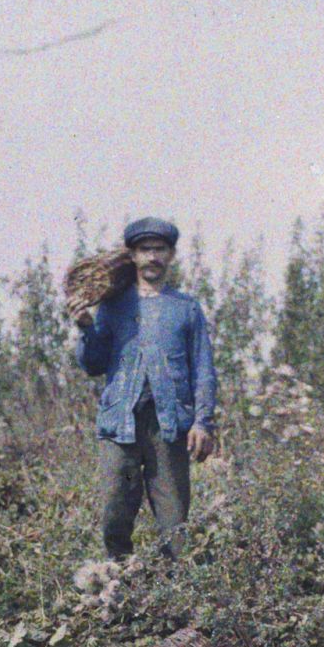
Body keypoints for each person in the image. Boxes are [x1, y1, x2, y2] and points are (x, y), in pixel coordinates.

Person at [67, 216, 218, 559]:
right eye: (145, 249)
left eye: (160, 249)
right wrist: (86, 328)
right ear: (132, 256)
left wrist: (202, 422)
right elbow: (93, 364)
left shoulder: (186, 309)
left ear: (172, 255)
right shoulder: (112, 305)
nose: (152, 256)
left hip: (169, 426)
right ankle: (116, 583)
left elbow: (204, 369)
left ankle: (174, 591)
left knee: (173, 517)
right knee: (114, 509)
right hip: (120, 421)